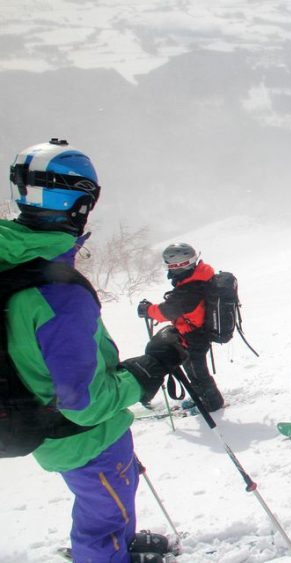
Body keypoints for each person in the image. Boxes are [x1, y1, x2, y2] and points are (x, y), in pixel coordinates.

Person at [4, 139, 187, 562]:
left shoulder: (14, 262)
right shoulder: (57, 293)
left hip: (41, 419)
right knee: (104, 511)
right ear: (80, 205)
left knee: (108, 501)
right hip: (86, 437)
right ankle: (106, 553)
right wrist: (149, 368)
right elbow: (86, 404)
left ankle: (115, 547)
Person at [138, 243, 225, 412]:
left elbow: (167, 311)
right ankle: (201, 397)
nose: (169, 270)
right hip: (195, 331)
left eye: (170, 266)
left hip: (195, 335)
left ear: (180, 265)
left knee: (197, 371)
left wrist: (147, 310)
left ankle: (212, 404)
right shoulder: (198, 277)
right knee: (192, 368)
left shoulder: (191, 288)